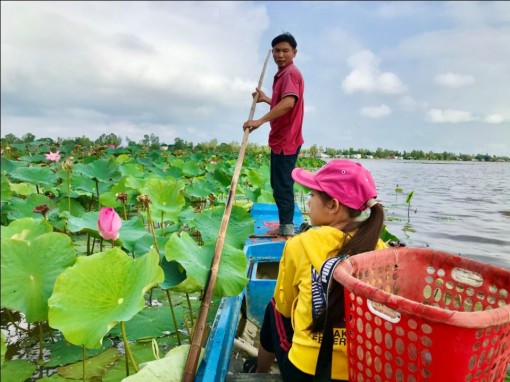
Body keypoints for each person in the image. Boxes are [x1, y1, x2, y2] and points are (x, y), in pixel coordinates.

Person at [247, 159, 388, 381]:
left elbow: (284, 307)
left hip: (306, 372)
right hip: (361, 370)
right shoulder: (381, 249)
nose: (309, 202)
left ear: (333, 205)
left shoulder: (300, 243)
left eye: (312, 195)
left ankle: (260, 371)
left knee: (274, 308)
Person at [243, 32, 304, 237]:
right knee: (278, 184)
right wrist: (266, 98)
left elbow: (288, 104)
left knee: (283, 185)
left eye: (285, 51)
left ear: (294, 53)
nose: (280, 55)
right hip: (281, 139)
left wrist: (259, 121)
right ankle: (285, 225)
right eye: (277, 50)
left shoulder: (289, 74)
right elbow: (282, 102)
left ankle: (286, 230)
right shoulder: (282, 75)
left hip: (287, 140)